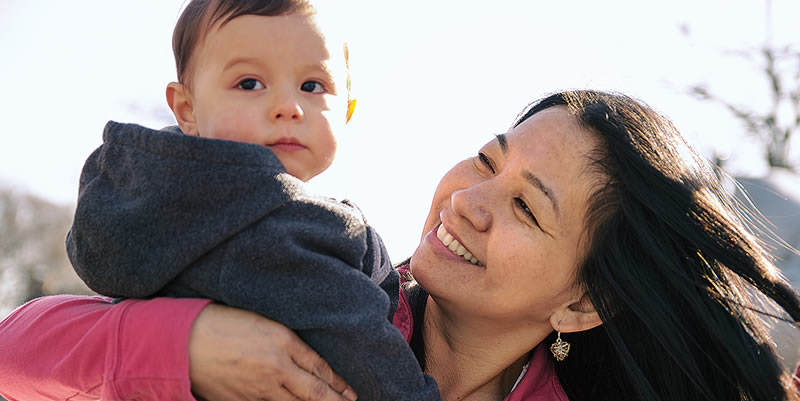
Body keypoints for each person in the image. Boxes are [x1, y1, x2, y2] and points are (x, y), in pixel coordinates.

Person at [2, 90, 800, 401]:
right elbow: (16, 349)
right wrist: (190, 345)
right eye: (489, 160)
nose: (470, 199)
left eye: (525, 205)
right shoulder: (327, 282)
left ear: (583, 301)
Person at [49, 0, 440, 400]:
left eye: (312, 86)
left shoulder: (155, 212)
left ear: (347, 110)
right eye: (249, 83)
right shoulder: (279, 228)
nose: (288, 107)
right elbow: (355, 336)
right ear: (187, 109)